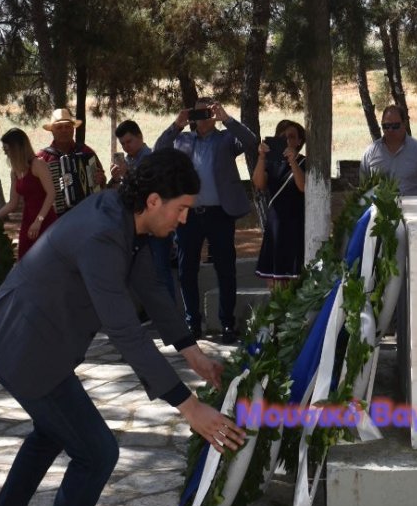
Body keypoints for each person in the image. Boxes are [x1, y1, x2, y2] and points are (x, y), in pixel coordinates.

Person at [0, 149, 245, 506]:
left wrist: (192, 352)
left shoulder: (125, 218)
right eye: (180, 209)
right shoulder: (104, 235)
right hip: (24, 345)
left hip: (27, 340)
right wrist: (188, 406)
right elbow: (124, 329)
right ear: (155, 199)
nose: (183, 221)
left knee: (50, 432)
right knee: (97, 451)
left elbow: (150, 289)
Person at [155, 97, 257, 345]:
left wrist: (227, 119)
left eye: (207, 113)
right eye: (198, 114)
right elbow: (159, 150)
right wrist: (176, 125)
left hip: (219, 213)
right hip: (188, 215)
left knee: (226, 269)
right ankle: (192, 322)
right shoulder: (183, 140)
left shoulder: (225, 140)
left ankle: (227, 324)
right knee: (187, 269)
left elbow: (251, 141)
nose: (203, 119)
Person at [111, 119, 176, 299]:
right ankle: (150, 313)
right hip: (135, 226)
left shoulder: (151, 158)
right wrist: (116, 179)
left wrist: (127, 174)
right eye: (123, 144)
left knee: (161, 270)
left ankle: (170, 314)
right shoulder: (127, 162)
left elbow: (149, 190)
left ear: (140, 137)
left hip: (155, 226)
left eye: (129, 141)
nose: (126, 147)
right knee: (141, 273)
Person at [253, 120, 306, 287]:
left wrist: (293, 162)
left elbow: (303, 186)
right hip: (275, 226)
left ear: (299, 141)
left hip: (296, 225)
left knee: (295, 279)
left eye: (292, 137)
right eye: (283, 137)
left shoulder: (304, 162)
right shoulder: (271, 163)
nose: (287, 140)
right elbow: (259, 183)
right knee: (274, 282)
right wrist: (262, 157)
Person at [0, 129, 58, 259]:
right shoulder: (15, 172)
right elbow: (12, 203)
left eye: (7, 150)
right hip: (28, 221)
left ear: (17, 148)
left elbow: (51, 193)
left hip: (45, 220)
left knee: (46, 261)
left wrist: (38, 221)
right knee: (25, 259)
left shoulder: (38, 164)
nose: (6, 154)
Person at [39, 108, 106, 216]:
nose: (64, 130)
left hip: (86, 213)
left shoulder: (86, 152)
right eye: (59, 127)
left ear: (73, 129)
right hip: (56, 217)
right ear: (52, 130)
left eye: (68, 127)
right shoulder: (43, 157)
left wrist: (100, 179)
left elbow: (102, 183)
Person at [360, 105, 417, 196]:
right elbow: (364, 187)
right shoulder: (370, 152)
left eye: (395, 126)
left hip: (413, 208)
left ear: (404, 124)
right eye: (386, 126)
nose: (390, 130)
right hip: (379, 209)